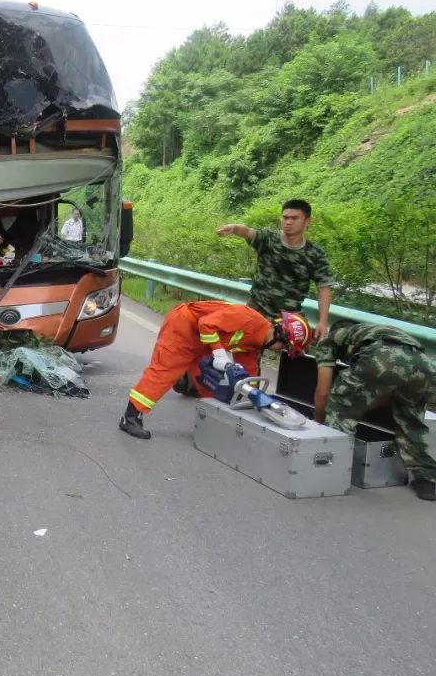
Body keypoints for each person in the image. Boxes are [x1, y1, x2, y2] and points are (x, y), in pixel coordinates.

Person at [119, 301, 312, 439]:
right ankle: (130, 418)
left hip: (205, 342)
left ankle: (210, 421)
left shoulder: (255, 343)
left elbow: (249, 372)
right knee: (164, 371)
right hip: (183, 327)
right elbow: (206, 324)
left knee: (212, 383)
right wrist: (220, 355)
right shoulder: (246, 318)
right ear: (280, 335)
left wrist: (254, 400)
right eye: (284, 348)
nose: (280, 352)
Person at [312, 321, 436, 501]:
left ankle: (331, 469)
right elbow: (386, 395)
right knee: (410, 420)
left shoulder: (329, 340)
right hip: (424, 365)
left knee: (339, 406)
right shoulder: (373, 332)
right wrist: (361, 405)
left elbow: (323, 392)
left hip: (382, 356)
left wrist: (317, 427)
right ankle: (427, 480)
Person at [217, 199, 334, 341]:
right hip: (257, 308)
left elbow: (324, 288)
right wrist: (234, 228)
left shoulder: (315, 254)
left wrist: (323, 322)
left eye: (294, 218)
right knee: (245, 354)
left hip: (290, 315)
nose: (288, 222)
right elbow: (248, 232)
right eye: (285, 217)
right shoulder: (268, 239)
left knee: (295, 357)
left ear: (307, 221)